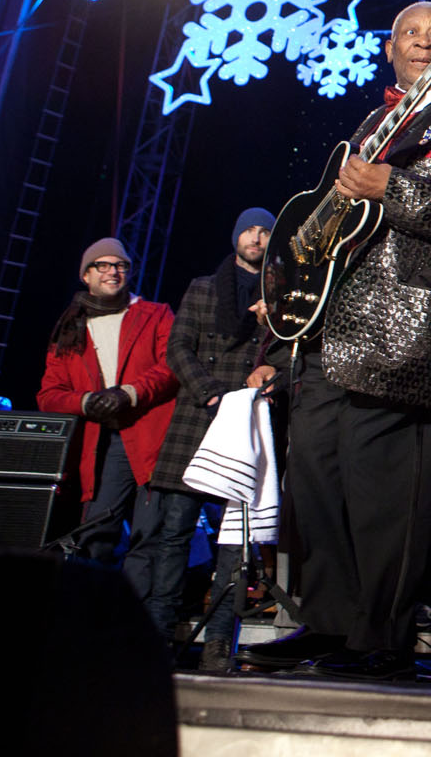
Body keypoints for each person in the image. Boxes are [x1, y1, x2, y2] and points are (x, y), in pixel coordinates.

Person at [243, 0, 431, 681]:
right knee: (315, 476)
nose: (423, 41)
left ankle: (384, 637)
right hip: (333, 333)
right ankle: (331, 622)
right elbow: (329, 223)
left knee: (385, 496)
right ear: (390, 48)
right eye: (410, 33)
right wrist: (289, 288)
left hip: (415, 334)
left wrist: (393, 185)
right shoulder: (372, 123)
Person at [147, 207, 275, 670]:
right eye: (250, 230)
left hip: (244, 421)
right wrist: (209, 392)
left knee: (234, 541)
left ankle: (220, 640)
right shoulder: (202, 287)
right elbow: (178, 346)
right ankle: (157, 632)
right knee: (174, 533)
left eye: (265, 231)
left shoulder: (281, 292)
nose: (256, 239)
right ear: (236, 235)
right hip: (198, 418)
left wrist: (257, 386)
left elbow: (282, 350)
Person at [35, 239, 180, 602]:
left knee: (149, 535)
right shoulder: (70, 326)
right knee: (97, 534)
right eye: (103, 265)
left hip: (150, 436)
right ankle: (83, 617)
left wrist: (128, 393)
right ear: (86, 275)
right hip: (103, 443)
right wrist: (86, 401)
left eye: (121, 265)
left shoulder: (155, 313)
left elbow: (171, 367)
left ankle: (135, 626)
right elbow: (49, 395)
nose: (114, 271)